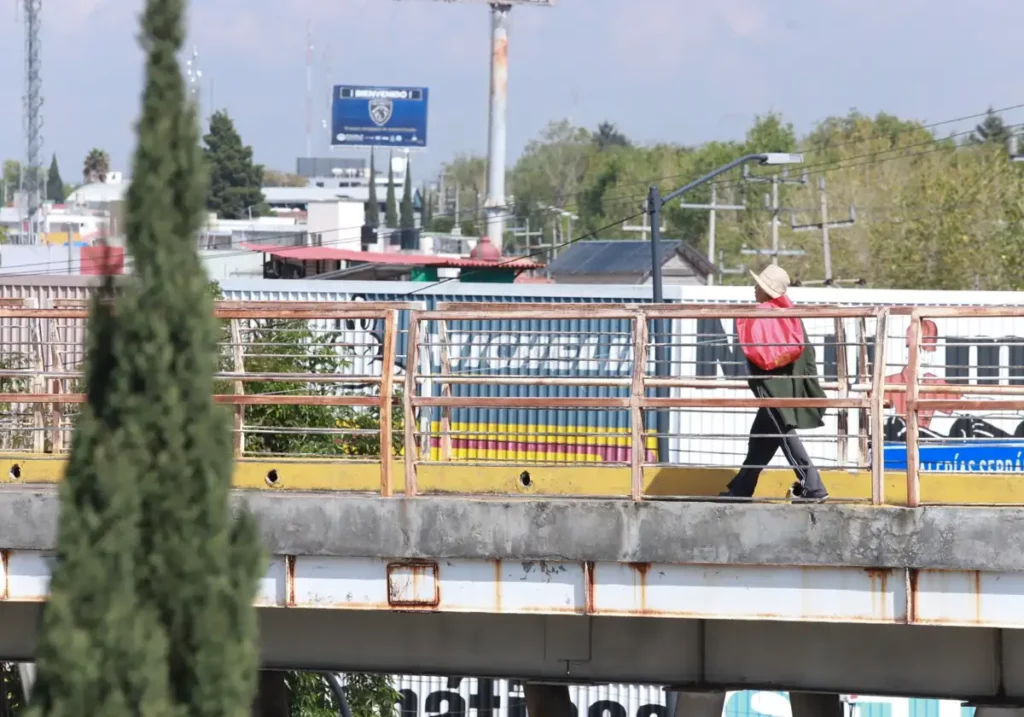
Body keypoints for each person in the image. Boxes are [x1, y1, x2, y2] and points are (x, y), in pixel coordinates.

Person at [720, 265, 829, 502]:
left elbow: (759, 352)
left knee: (783, 431)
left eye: (758, 285)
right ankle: (741, 489)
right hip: (787, 381)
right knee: (760, 438)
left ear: (766, 290)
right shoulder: (788, 314)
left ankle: (813, 486)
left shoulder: (763, 313)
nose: (754, 288)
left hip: (772, 385)